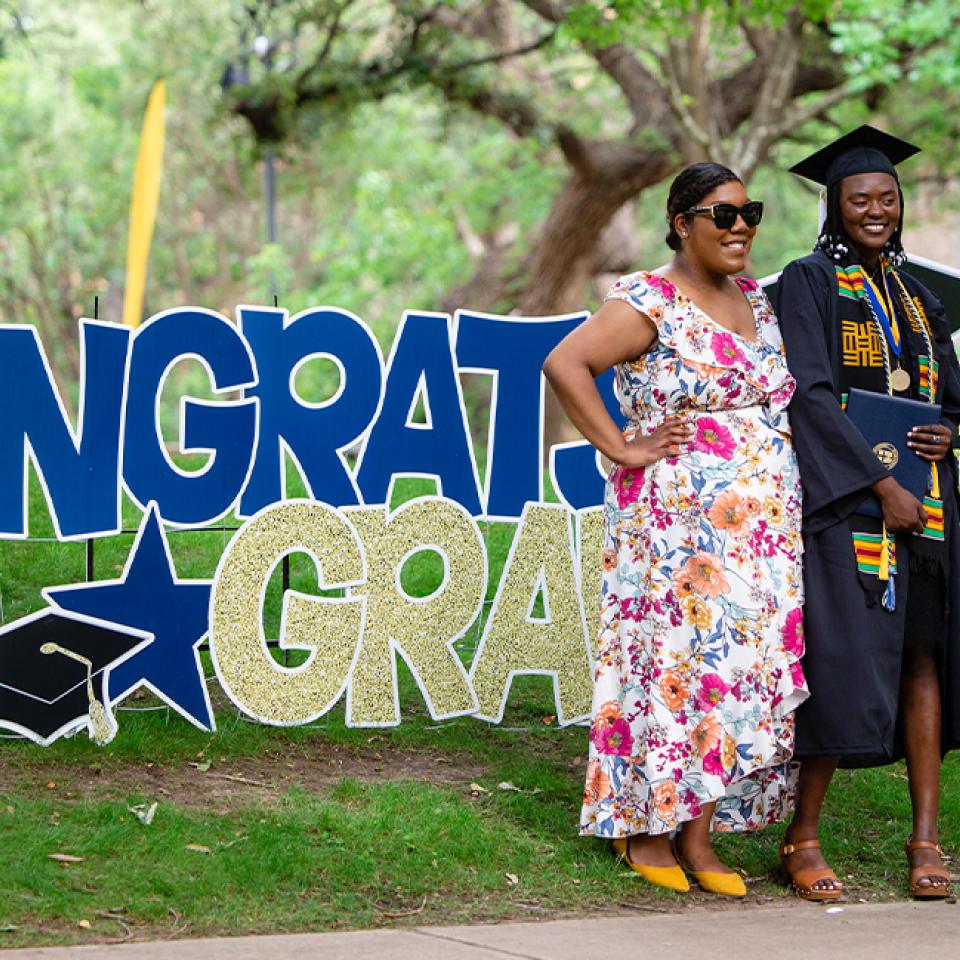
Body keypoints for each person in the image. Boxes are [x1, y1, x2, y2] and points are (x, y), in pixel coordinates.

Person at [543, 163, 807, 897]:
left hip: (761, 533)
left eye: (748, 212)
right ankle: (646, 827)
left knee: (733, 673)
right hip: (674, 527)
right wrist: (622, 447)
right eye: (721, 215)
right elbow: (566, 364)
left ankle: (700, 832)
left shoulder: (758, 298)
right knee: (672, 664)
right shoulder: (649, 300)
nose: (741, 226)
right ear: (681, 222)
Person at [777, 125, 960, 901]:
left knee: (925, 659)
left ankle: (925, 839)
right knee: (842, 664)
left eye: (886, 198)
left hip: (928, 508)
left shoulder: (919, 298)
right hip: (851, 507)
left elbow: (951, 397)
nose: (876, 210)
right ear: (836, 205)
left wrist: (949, 431)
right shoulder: (809, 281)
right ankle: (803, 837)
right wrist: (876, 486)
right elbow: (810, 396)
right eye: (861, 199)